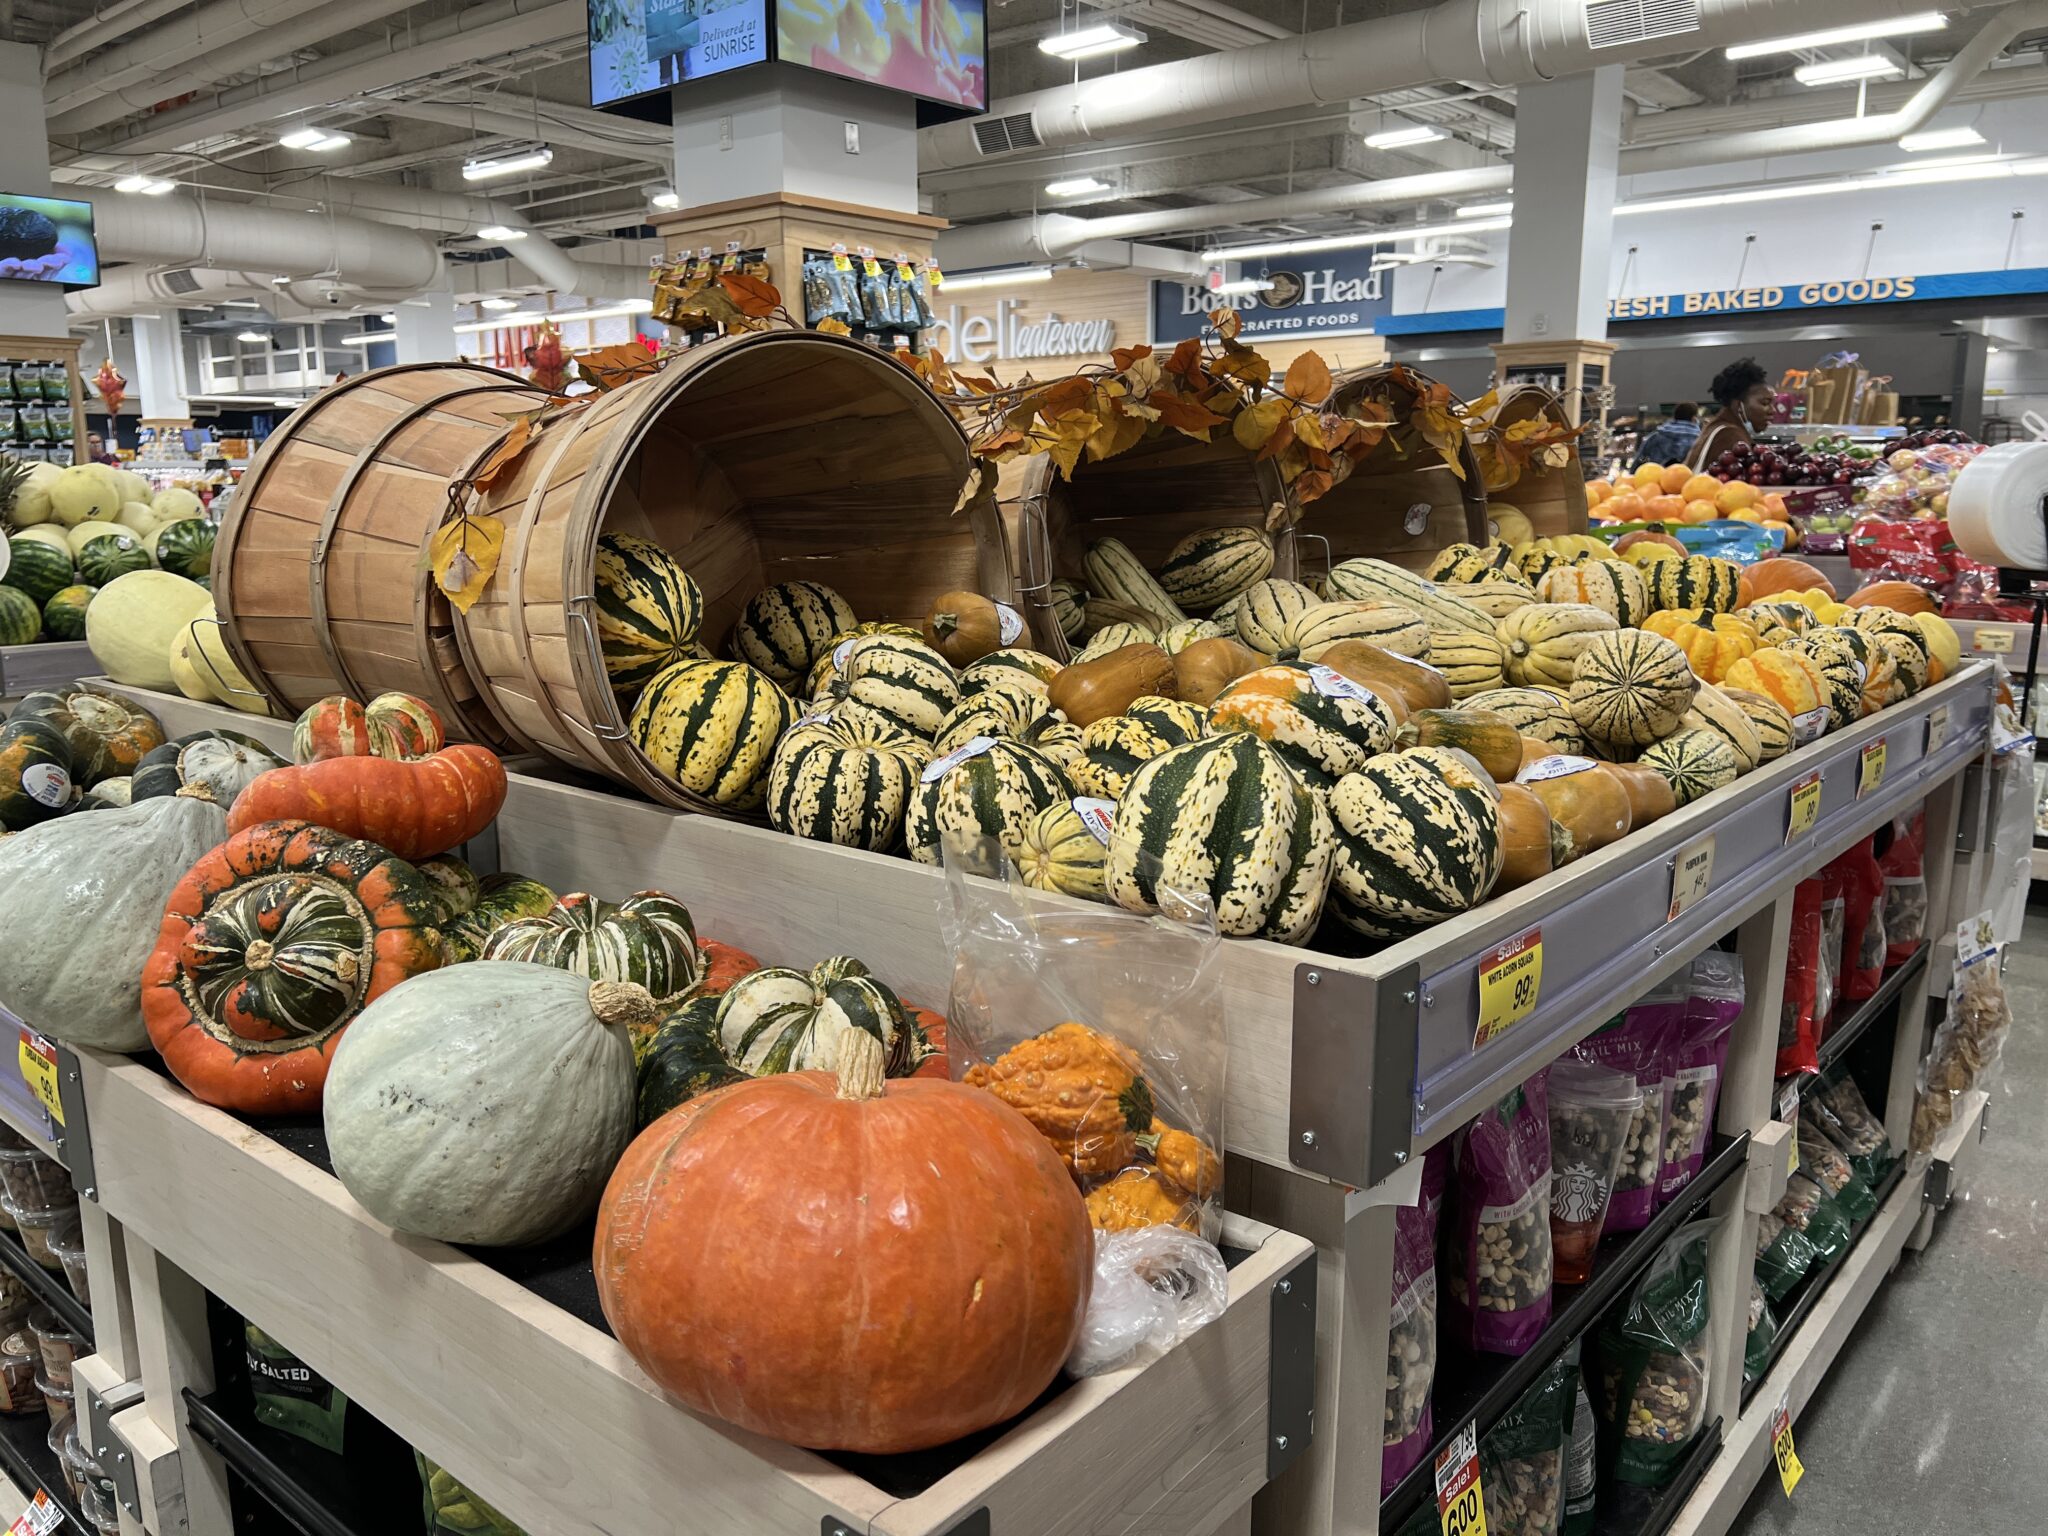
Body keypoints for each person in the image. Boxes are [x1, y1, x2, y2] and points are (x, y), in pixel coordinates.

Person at [1687, 357, 1776, 469]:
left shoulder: (1717, 428)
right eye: (1765, 403)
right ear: (1739, 406)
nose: (1773, 410)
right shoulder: (1730, 437)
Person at [1631, 402, 1700, 470]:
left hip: (1656, 476)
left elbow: (1639, 459)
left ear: (1675, 417)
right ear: (1693, 418)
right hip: (1689, 476)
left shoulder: (1656, 436)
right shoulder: (1699, 441)